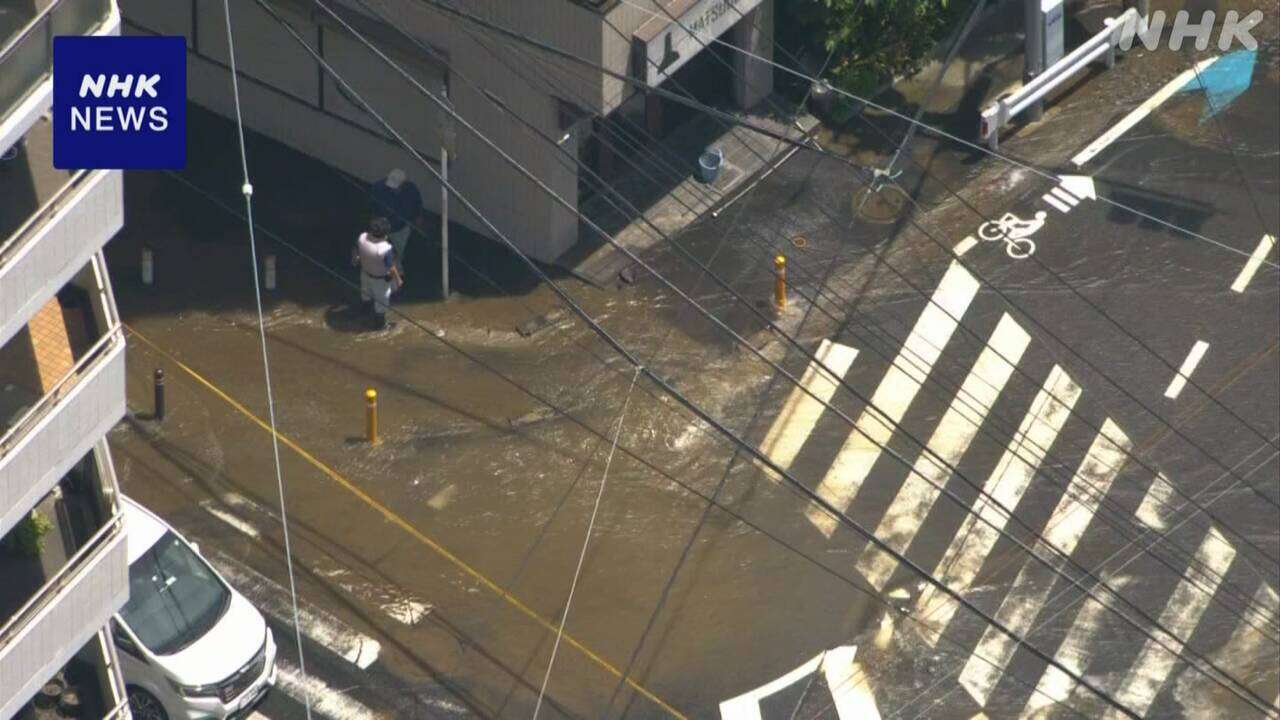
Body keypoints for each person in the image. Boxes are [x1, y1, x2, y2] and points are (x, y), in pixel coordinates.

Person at [352, 217, 404, 330]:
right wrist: (398, 279)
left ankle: (364, 315)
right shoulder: (385, 249)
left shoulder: (362, 237)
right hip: (380, 281)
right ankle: (380, 326)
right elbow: (391, 267)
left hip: (365, 274)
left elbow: (355, 249)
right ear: (386, 233)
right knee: (381, 303)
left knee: (366, 295)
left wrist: (354, 259)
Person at [369, 168, 422, 275]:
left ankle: (395, 273)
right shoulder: (378, 188)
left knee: (397, 252)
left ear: (403, 184)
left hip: (401, 229)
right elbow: (372, 206)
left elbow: (418, 207)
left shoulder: (412, 191)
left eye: (396, 186)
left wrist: (417, 220)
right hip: (382, 226)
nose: (393, 189)